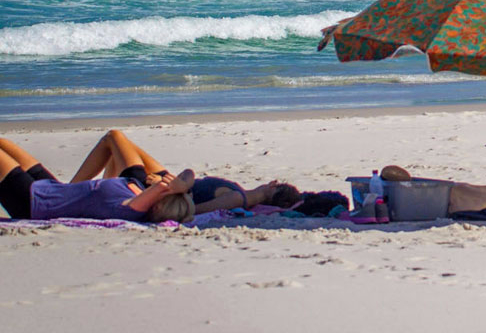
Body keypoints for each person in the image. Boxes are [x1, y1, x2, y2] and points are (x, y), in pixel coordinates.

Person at [69, 129, 299, 216]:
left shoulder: (237, 198)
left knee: (114, 138)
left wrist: (171, 188)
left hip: (157, 188)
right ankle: (92, 193)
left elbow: (192, 211)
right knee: (119, 144)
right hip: (169, 179)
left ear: (272, 186)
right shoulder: (239, 194)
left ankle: (69, 191)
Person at [1, 131, 195, 223]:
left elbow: (173, 183)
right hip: (51, 188)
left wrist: (174, 188)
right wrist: (182, 188)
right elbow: (188, 174)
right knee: (4, 143)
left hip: (32, 202)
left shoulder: (133, 208)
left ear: (159, 204)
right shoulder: (136, 186)